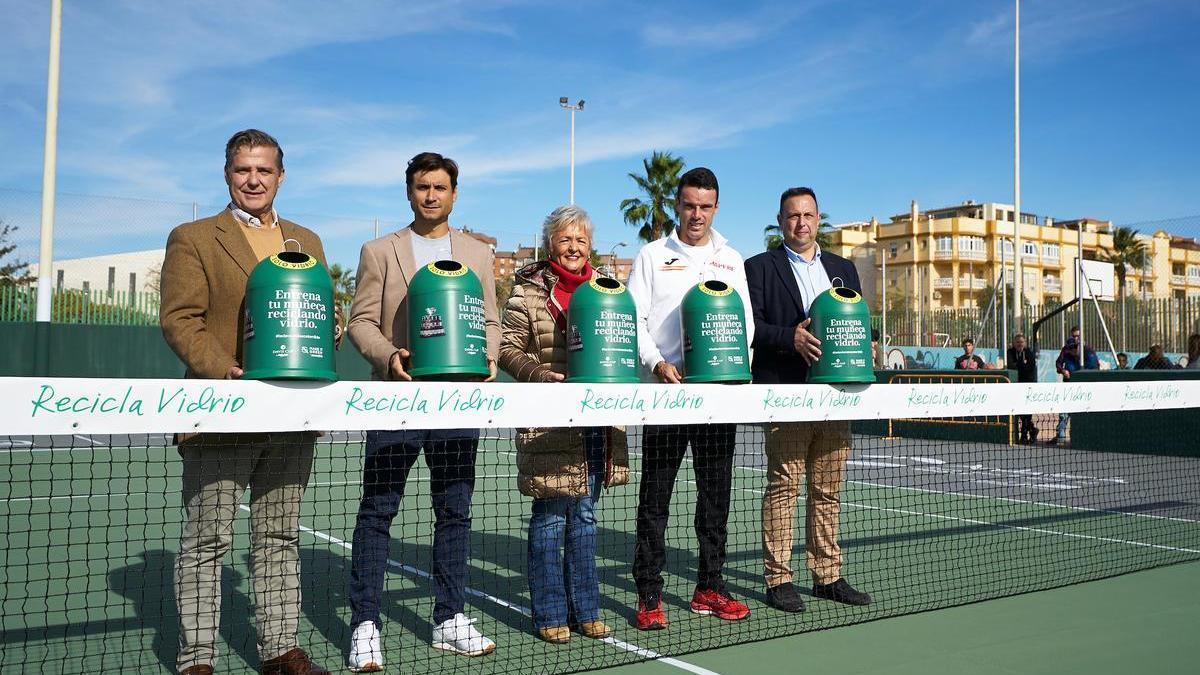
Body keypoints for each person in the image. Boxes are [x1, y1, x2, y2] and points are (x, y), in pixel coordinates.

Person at [160, 129, 333, 675]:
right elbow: (180, 319)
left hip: (291, 414)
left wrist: (321, 344)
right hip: (221, 410)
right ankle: (197, 659)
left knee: (278, 536)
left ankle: (280, 649)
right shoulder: (193, 237)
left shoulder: (306, 239)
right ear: (228, 174)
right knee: (207, 540)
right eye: (242, 170)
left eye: (264, 170)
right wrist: (227, 371)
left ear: (281, 176)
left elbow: (322, 313)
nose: (253, 179)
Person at [345, 152, 501, 670]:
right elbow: (360, 322)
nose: (430, 195)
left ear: (454, 194)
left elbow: (492, 322)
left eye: (439, 187)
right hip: (398, 401)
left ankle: (449, 618)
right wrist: (390, 356)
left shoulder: (478, 254)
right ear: (409, 193)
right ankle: (365, 623)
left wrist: (490, 357)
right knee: (378, 511)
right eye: (421, 187)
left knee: (454, 510)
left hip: (457, 403)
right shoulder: (378, 251)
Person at [626, 167, 753, 630]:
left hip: (717, 399)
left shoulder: (731, 258)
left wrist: (733, 375)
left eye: (705, 206)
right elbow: (634, 319)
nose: (696, 214)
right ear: (677, 205)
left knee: (716, 497)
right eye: (689, 205)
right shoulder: (652, 255)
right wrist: (658, 364)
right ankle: (649, 593)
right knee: (655, 498)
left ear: (715, 207)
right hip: (667, 396)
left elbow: (746, 323)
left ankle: (710, 587)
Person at [497, 205, 630, 644]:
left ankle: (586, 610)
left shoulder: (607, 290)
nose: (573, 247)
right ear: (550, 243)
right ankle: (551, 613)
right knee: (551, 518)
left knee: (585, 519)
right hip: (550, 421)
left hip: (597, 424)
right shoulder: (526, 292)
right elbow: (508, 349)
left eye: (581, 240)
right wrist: (542, 376)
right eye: (564, 239)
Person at [745, 186, 872, 613]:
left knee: (828, 490)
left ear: (819, 219)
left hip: (835, 397)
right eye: (792, 216)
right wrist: (791, 337)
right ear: (780, 222)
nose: (801, 223)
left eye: (808, 215)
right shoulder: (759, 268)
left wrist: (866, 344)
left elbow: (855, 322)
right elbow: (753, 328)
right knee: (784, 486)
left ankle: (828, 576)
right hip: (786, 394)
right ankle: (779, 579)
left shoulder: (843, 269)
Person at [1052, 326, 1099, 445]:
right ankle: (1060, 437)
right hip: (1068, 387)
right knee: (1064, 413)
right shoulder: (1065, 350)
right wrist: (1063, 371)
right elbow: (1058, 364)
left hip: (1084, 389)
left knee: (1082, 414)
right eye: (1074, 336)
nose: (1073, 347)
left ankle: (1080, 438)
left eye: (1078, 337)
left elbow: (1094, 368)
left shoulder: (1089, 351)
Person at [1006, 334, 1038, 443]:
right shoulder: (1010, 352)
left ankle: (1024, 435)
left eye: (1021, 342)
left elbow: (1030, 368)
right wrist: (1021, 364)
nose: (1020, 344)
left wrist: (1019, 365)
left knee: (1027, 411)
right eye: (1017, 342)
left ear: (1025, 343)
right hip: (1016, 385)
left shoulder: (1029, 353)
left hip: (1028, 385)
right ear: (1014, 343)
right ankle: (1032, 430)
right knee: (1019, 410)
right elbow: (1010, 365)